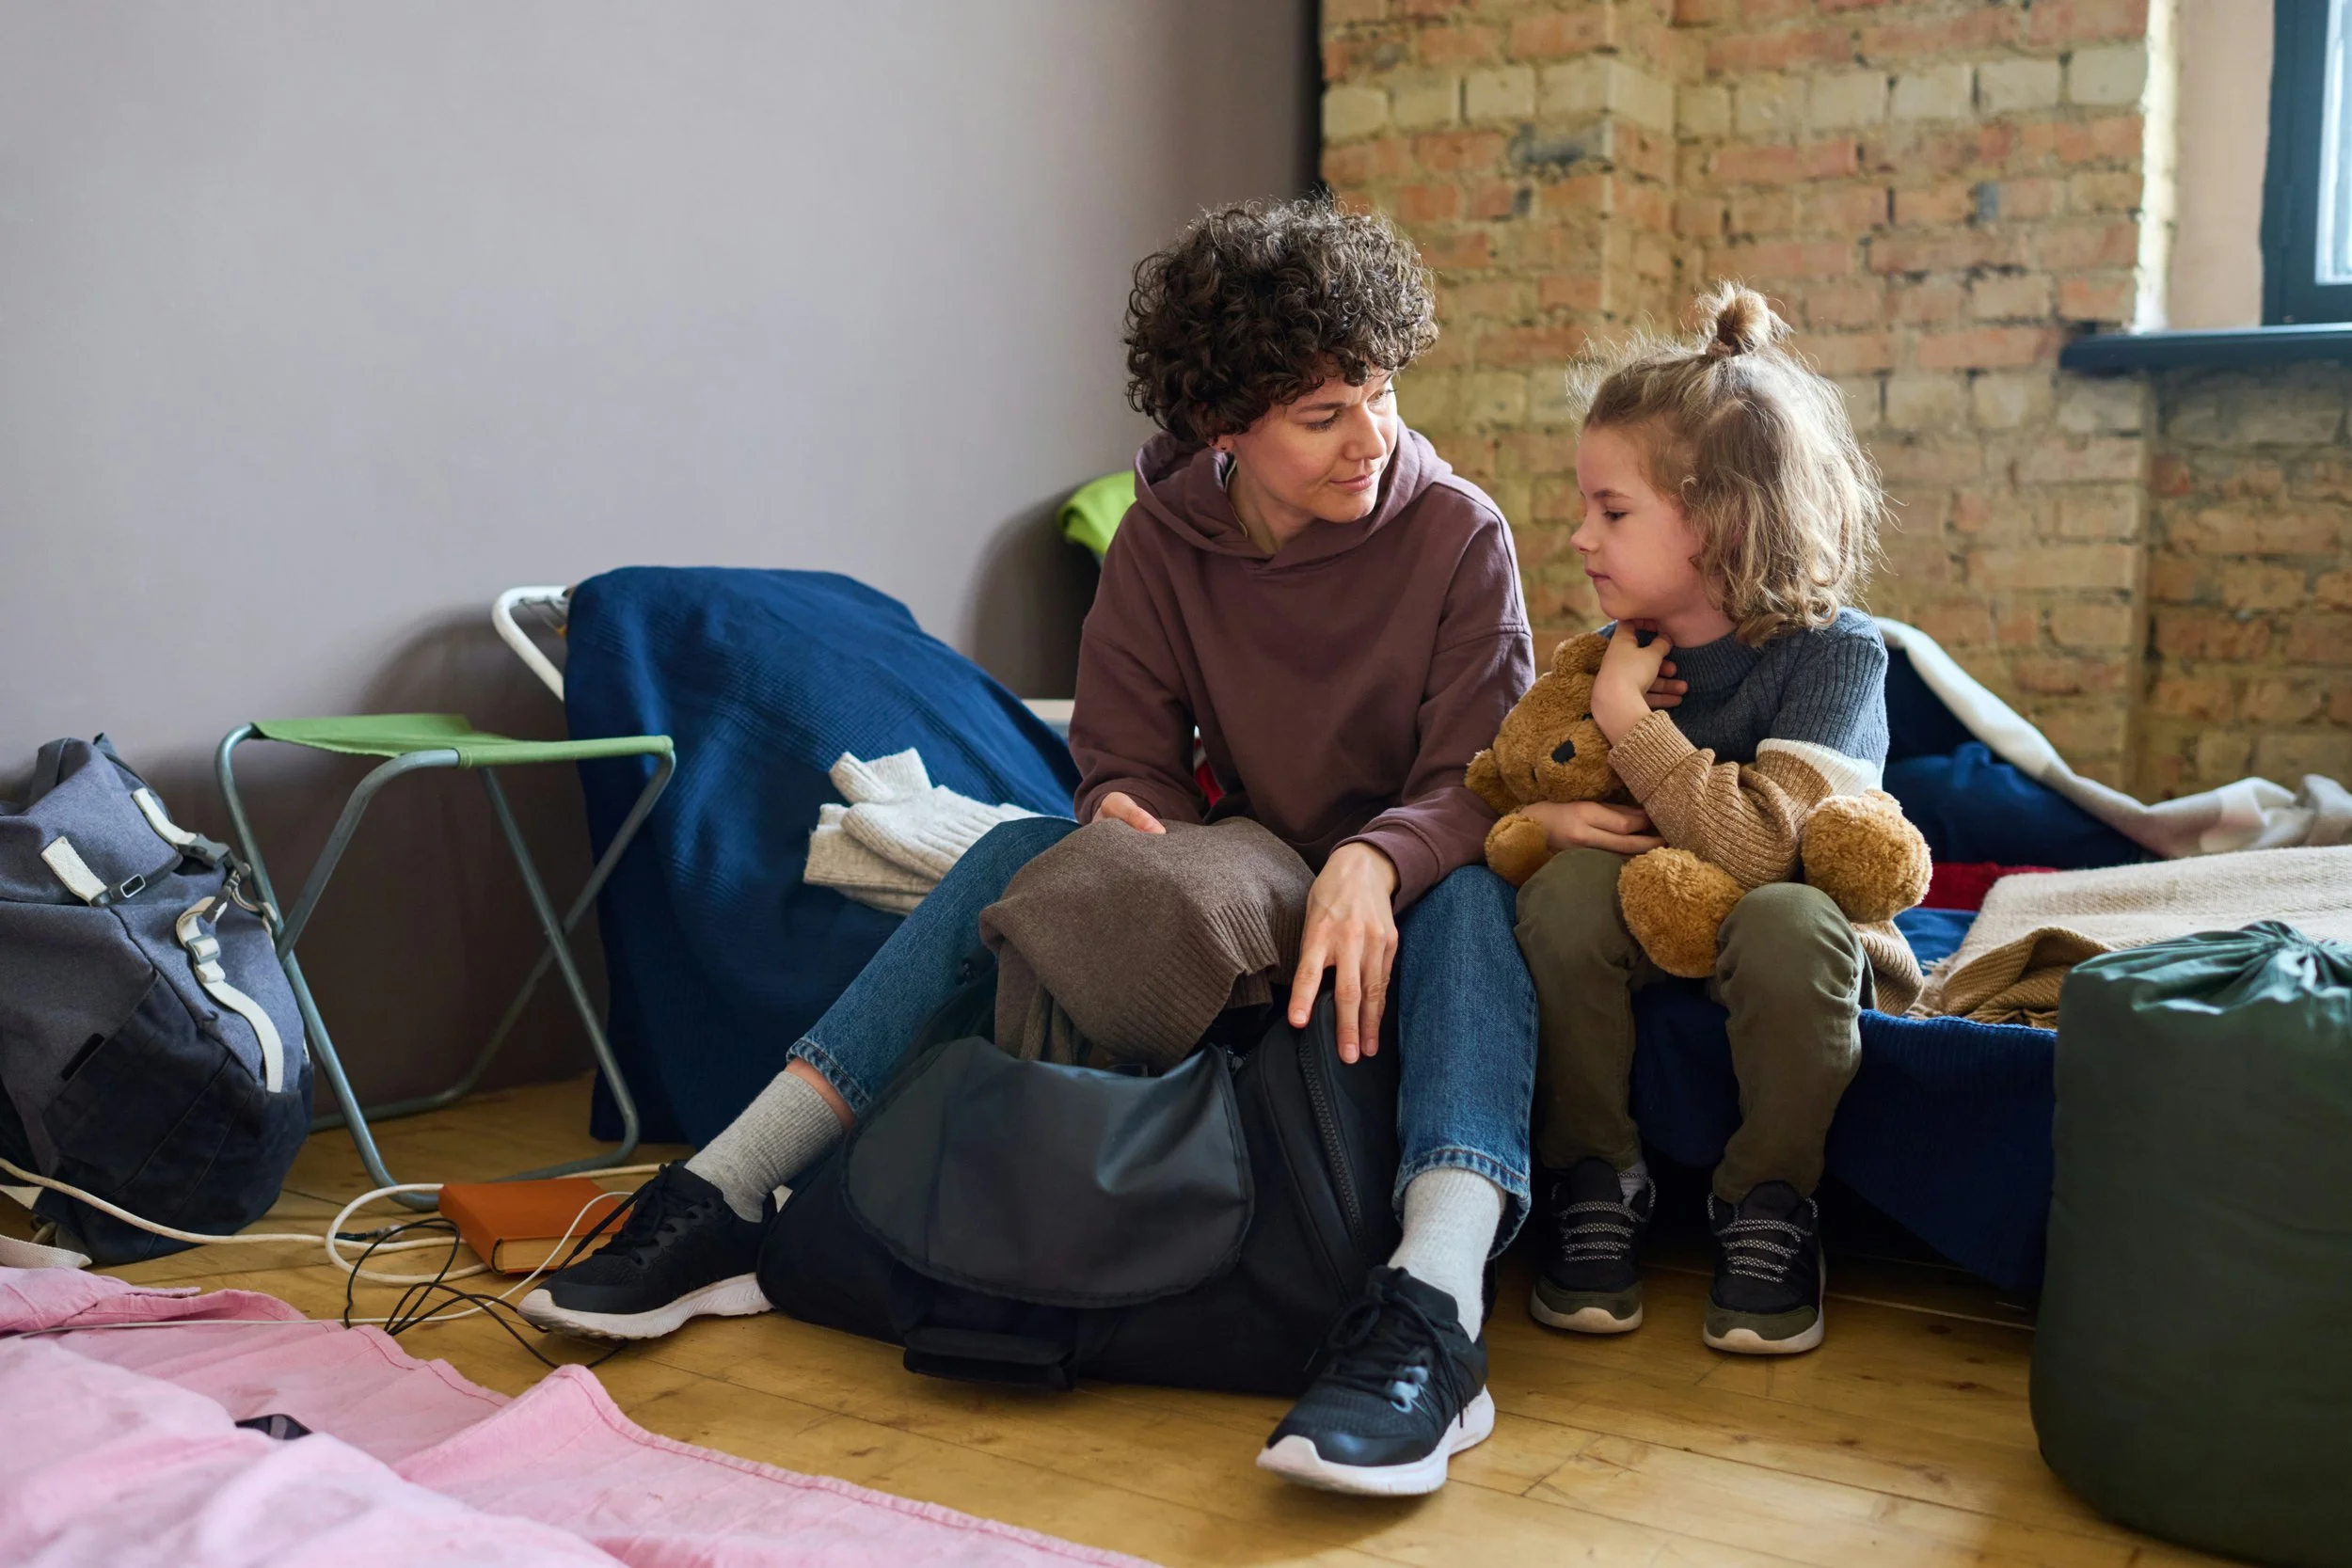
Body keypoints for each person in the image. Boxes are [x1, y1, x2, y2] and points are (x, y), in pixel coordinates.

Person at [522, 198, 1578, 1497]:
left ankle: (1433, 1310)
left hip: (1408, 871)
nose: (1374, 435)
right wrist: (1126, 820)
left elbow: (1479, 777)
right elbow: (1125, 758)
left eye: (1381, 391)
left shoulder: (1458, 531)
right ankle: (723, 1195)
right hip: (1237, 864)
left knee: (1475, 904)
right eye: (1323, 415)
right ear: (1223, 428)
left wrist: (1379, 858)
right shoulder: (1160, 541)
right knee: (1018, 840)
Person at [1509, 283, 1922, 1357]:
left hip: (1793, 917)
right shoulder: (1617, 651)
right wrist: (1547, 813)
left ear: (1722, 518)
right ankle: (1594, 1176)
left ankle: (1768, 1205)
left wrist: (1627, 725)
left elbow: (1761, 847)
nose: (1578, 536)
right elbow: (1506, 781)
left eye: (1611, 509)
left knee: (1784, 919)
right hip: (1657, 912)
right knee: (1559, 893)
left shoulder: (1838, 655)